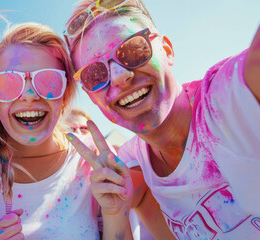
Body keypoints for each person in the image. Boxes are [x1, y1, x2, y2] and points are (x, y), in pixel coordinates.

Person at [65, 0, 260, 239]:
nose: (119, 77)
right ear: (90, 96)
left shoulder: (231, 97)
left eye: (134, 50)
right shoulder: (130, 164)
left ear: (166, 50)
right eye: (94, 74)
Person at [0, 22, 135, 239]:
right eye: (9, 83)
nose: (29, 95)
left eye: (48, 81)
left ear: (65, 95)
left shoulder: (94, 162)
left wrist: (115, 212)